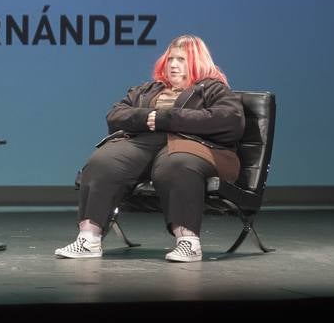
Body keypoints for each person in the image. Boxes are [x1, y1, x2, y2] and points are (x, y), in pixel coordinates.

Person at [56, 34, 244, 263]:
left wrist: (168, 119)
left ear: (197, 62)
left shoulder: (213, 89)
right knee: (103, 161)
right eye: (171, 58)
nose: (173, 64)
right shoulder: (148, 90)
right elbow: (116, 115)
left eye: (182, 60)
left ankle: (188, 242)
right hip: (144, 143)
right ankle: (89, 238)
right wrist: (149, 117)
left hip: (194, 145)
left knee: (176, 164)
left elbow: (229, 121)